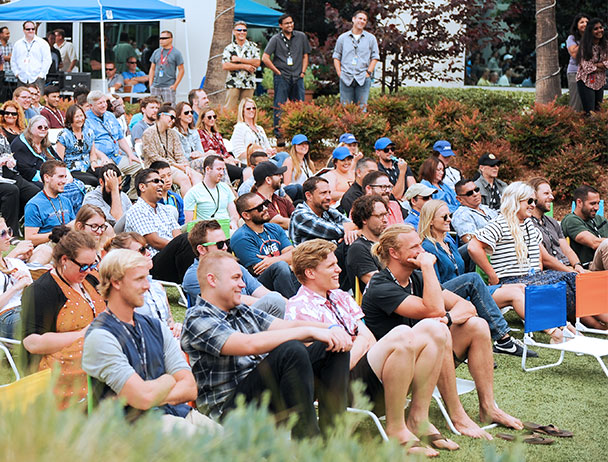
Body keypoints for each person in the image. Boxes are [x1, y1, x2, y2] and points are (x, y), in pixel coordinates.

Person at [287, 239, 448, 455]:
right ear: (310, 273)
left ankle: (419, 417)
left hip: (363, 369)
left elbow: (368, 337)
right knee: (402, 334)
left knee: (434, 328)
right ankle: (396, 429)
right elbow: (325, 363)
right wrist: (359, 341)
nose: (339, 269)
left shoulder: (341, 296)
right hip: (338, 385)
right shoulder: (299, 307)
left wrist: (356, 341)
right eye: (331, 266)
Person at [362, 224, 524, 437]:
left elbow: (468, 307)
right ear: (394, 253)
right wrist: (428, 267)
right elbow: (433, 309)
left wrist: (448, 318)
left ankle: (488, 407)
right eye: (415, 247)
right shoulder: (381, 286)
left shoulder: (417, 279)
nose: (422, 251)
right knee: (437, 328)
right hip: (392, 373)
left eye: (420, 245)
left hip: (422, 361)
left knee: (477, 325)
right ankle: (456, 415)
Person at [181, 250, 350, 438]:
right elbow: (248, 344)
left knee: (331, 347)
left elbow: (286, 325)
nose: (242, 284)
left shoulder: (240, 310)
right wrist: (311, 332)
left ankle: (335, 438)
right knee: (291, 350)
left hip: (261, 394)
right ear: (212, 280)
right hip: (229, 412)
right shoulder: (197, 318)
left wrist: (331, 328)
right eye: (236, 278)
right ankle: (308, 443)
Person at [82, 249, 218, 433]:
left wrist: (151, 392)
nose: (147, 286)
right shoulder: (101, 336)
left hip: (175, 412)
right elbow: (143, 398)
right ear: (116, 282)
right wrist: (169, 380)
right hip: (130, 428)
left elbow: (190, 388)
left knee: (233, 442)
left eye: (147, 278)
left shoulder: (154, 326)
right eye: (139, 279)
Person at [418, 200, 534, 353]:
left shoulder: (449, 242)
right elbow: (434, 286)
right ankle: (503, 339)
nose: (449, 220)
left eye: (449, 216)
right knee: (472, 278)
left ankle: (555, 327)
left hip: (465, 291)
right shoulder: (427, 247)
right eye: (444, 217)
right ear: (431, 221)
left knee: (519, 288)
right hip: (445, 295)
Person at [468, 182, 578, 323]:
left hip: (531, 276)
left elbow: (542, 257)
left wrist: (570, 271)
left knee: (573, 279)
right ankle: (566, 324)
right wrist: (492, 275)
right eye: (529, 201)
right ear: (515, 201)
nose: (533, 205)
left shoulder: (528, 225)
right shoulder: (500, 223)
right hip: (511, 280)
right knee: (561, 280)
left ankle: (581, 321)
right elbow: (473, 247)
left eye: (534, 201)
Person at [21, 230, 105, 408]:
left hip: (98, 361)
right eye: (83, 266)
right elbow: (32, 343)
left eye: (92, 264)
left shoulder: (89, 280)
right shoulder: (42, 290)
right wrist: (82, 334)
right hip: (61, 373)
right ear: (64, 260)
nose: (89, 270)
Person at [182, 219, 286, 318]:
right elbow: (232, 300)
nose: (225, 247)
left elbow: (261, 292)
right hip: (223, 324)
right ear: (201, 249)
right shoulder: (194, 276)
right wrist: (273, 302)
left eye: (226, 242)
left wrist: (292, 305)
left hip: (247, 318)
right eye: (219, 244)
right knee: (275, 300)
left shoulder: (236, 267)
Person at [103, 233, 182, 336]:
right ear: (125, 258)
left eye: (147, 247)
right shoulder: (122, 292)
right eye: (142, 250)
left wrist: (176, 327)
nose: (148, 253)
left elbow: (169, 320)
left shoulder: (157, 286)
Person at [232, 193, 300, 298]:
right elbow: (260, 269)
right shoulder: (241, 237)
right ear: (246, 215)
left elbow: (294, 255)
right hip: (259, 286)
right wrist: (286, 262)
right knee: (281, 267)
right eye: (259, 208)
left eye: (265, 204)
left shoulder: (274, 228)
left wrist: (272, 261)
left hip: (286, 277)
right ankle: (292, 307)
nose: (265, 209)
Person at [84, 91, 141, 197]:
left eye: (105, 102)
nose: (104, 105)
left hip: (117, 157)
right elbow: (88, 144)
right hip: (100, 159)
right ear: (91, 106)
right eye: (100, 103)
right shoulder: (86, 120)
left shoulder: (110, 116)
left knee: (140, 167)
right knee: (111, 174)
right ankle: (112, 200)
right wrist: (103, 156)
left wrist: (130, 154)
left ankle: (131, 198)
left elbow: (120, 138)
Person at [262, 14, 311, 135]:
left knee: (299, 106)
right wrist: (277, 72)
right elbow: (265, 58)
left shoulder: (301, 37)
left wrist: (303, 72)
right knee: (280, 106)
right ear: (280, 25)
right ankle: (279, 134)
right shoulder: (276, 39)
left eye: (291, 22)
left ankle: (298, 132)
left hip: (297, 77)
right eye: (287, 23)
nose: (290, 25)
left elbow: (305, 55)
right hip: (282, 77)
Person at [124, 168, 181, 266]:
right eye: (156, 181)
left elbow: (178, 236)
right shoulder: (136, 210)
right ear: (142, 187)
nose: (160, 184)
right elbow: (155, 242)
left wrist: (180, 246)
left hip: (173, 254)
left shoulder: (166, 209)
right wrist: (179, 248)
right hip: (152, 261)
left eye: (161, 181)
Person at [141, 103, 201, 195]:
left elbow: (179, 154)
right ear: (162, 115)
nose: (173, 121)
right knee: (184, 179)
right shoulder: (148, 133)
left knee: (197, 176)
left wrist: (186, 166)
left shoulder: (173, 133)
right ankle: (186, 208)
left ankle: (198, 206)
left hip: (174, 166)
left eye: (175, 119)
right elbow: (154, 157)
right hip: (157, 167)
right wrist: (177, 166)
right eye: (171, 117)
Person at [289, 177, 360, 246]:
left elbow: (353, 225)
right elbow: (335, 231)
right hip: (311, 256)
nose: (329, 197)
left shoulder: (327, 210)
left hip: (332, 253)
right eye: (323, 193)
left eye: (329, 193)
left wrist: (352, 233)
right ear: (309, 196)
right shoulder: (300, 215)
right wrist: (350, 231)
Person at [23, 160, 76, 246]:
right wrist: (58, 234)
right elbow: (29, 239)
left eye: (65, 177)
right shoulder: (34, 205)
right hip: (47, 247)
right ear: (47, 178)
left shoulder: (66, 201)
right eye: (60, 177)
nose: (64, 181)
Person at [332, 11, 379, 107]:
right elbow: (336, 56)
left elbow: (375, 57)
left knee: (362, 107)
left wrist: (368, 73)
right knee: (346, 107)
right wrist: (339, 72)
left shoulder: (371, 39)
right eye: (360, 18)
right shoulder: (343, 38)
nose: (362, 21)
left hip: (363, 77)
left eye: (364, 20)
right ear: (353, 19)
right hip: (346, 77)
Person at [561, 185, 608, 272]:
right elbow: (594, 243)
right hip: (588, 266)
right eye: (593, 203)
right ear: (579, 202)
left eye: (598, 203)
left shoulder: (600, 219)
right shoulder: (571, 220)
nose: (597, 208)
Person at [346, 195, 389, 291]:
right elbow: (378, 284)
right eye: (379, 216)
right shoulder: (358, 249)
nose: (385, 220)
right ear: (364, 219)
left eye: (386, 214)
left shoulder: (389, 243)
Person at [183, 155, 238, 229]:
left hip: (227, 227)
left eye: (223, 169)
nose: (222, 173)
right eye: (219, 169)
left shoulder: (225, 187)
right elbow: (189, 223)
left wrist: (234, 222)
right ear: (208, 169)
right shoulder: (193, 192)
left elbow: (233, 214)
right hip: (208, 230)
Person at [0, 217, 32, 339]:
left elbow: (33, 296)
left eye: (9, 231)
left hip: (24, 309)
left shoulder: (15, 263)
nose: (8, 237)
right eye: (2, 234)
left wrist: (28, 284)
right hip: (5, 317)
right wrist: (16, 287)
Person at [55, 104, 102, 187]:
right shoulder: (64, 135)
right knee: (94, 181)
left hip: (87, 166)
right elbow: (59, 160)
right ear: (70, 118)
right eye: (77, 117)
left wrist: (94, 162)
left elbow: (92, 153)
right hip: (72, 169)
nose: (80, 119)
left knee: (106, 174)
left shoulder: (89, 133)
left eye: (81, 116)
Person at [222, 21, 261, 112]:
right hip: (233, 83)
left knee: (247, 109)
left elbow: (257, 62)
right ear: (234, 32)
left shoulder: (253, 46)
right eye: (239, 30)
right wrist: (245, 66)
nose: (242, 32)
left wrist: (239, 59)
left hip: (248, 82)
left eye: (244, 30)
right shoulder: (229, 48)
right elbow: (225, 65)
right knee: (229, 110)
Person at [12, 115, 60, 185]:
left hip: (52, 176)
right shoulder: (20, 144)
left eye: (46, 128)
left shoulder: (45, 143)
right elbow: (24, 169)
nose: (43, 129)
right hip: (31, 180)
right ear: (30, 128)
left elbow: (57, 159)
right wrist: (46, 177)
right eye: (40, 127)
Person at [576, 18, 608, 115]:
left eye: (601, 28)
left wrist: (596, 65)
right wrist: (603, 65)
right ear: (590, 31)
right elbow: (587, 67)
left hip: (600, 81)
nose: (599, 31)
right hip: (585, 81)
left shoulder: (605, 45)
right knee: (590, 113)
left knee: (598, 112)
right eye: (596, 29)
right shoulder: (584, 46)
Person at [250, 160, 294, 229]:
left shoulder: (282, 201)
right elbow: (280, 222)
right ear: (268, 180)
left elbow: (297, 217)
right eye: (278, 175)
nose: (281, 177)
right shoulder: (257, 205)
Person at [11, 21, 52, 90]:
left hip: (37, 78)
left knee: (38, 100)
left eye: (33, 29)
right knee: (21, 99)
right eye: (28, 29)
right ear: (23, 30)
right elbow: (13, 60)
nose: (31, 31)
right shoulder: (18, 44)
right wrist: (16, 73)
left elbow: (47, 60)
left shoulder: (42, 43)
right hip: (22, 78)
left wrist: (41, 75)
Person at [148, 31, 184, 104]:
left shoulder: (176, 53)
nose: (161, 40)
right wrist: (150, 84)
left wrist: (175, 85)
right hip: (156, 86)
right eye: (160, 38)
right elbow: (152, 68)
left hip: (168, 86)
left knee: (169, 108)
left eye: (164, 38)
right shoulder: (156, 52)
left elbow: (181, 70)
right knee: (155, 107)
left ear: (171, 39)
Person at [151, 160, 185, 226]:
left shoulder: (176, 198)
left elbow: (181, 221)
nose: (167, 179)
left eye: (169, 175)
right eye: (162, 177)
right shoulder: (151, 200)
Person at [566, 14, 589, 111]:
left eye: (587, 22)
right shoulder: (572, 38)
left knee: (589, 103)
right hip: (575, 72)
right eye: (582, 22)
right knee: (576, 102)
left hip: (591, 74)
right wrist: (585, 38)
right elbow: (574, 54)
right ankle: (574, 124)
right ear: (577, 25)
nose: (585, 24)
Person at [174, 101, 204, 165]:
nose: (190, 115)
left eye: (191, 112)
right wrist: (192, 155)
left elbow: (201, 151)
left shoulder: (194, 131)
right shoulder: (175, 132)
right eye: (186, 113)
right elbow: (181, 156)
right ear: (179, 115)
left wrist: (198, 154)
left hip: (198, 160)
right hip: (184, 163)